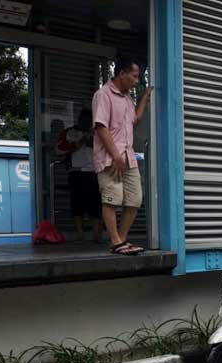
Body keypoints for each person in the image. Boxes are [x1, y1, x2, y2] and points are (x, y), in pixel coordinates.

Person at [91, 55, 152, 255]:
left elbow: (134, 118)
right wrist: (116, 155)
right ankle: (116, 242)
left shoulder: (127, 98)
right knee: (111, 199)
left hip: (128, 157)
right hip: (111, 158)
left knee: (135, 199)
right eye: (134, 77)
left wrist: (143, 98)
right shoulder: (103, 94)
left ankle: (122, 239)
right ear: (121, 73)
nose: (136, 82)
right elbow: (101, 127)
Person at [56, 109, 101, 242]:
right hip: (76, 172)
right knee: (77, 204)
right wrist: (78, 143)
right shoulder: (70, 132)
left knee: (95, 204)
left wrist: (92, 140)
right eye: (84, 119)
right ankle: (80, 234)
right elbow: (59, 149)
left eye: (89, 119)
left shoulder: (98, 132)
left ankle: (96, 235)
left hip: (94, 172)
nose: (86, 122)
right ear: (79, 119)